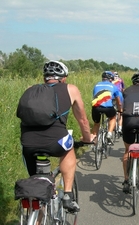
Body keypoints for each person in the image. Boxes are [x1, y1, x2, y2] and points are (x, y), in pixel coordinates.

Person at [20, 60, 95, 212]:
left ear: (44, 78)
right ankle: (67, 194)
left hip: (28, 144)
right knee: (69, 149)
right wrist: (87, 138)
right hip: (56, 142)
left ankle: (36, 216)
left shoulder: (30, 89)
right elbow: (83, 120)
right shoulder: (70, 89)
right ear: (64, 78)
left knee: (36, 188)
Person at [91, 71, 122, 144]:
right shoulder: (113, 86)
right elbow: (118, 101)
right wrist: (120, 110)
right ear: (111, 79)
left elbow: (94, 96)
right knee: (113, 117)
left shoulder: (96, 85)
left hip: (96, 107)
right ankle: (109, 133)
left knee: (96, 123)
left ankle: (93, 141)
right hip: (108, 108)